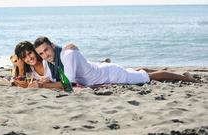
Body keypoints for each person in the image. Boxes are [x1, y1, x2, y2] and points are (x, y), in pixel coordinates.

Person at [33, 36, 196, 88]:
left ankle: (186, 77)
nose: (45, 55)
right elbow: (58, 79)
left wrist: (43, 86)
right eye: (41, 53)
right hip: (103, 69)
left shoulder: (67, 55)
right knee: (136, 71)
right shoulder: (51, 61)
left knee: (149, 77)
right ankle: (159, 69)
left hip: (111, 74)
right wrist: (46, 80)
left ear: (53, 46)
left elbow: (68, 85)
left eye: (46, 50)